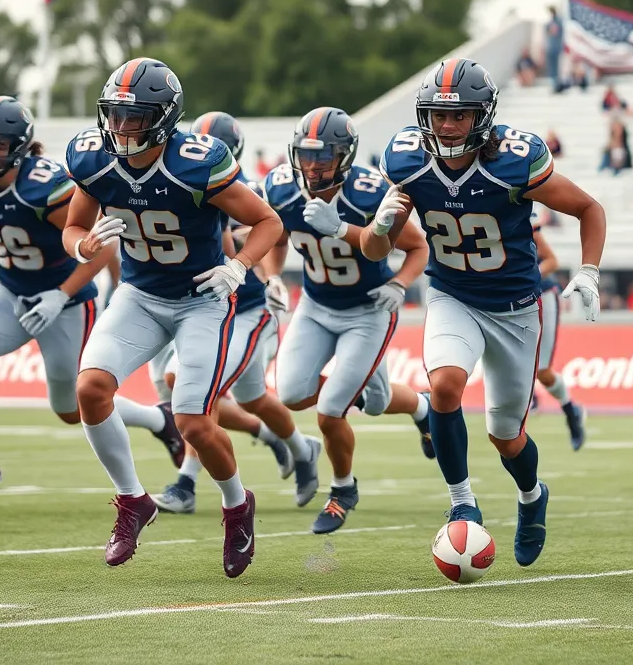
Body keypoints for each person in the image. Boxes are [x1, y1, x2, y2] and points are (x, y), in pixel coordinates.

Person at [365, 58, 606, 568]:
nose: (448, 126)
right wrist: (381, 227)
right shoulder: (407, 161)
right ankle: (462, 502)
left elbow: (590, 209)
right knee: (446, 385)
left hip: (517, 309)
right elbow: (371, 251)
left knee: (506, 434)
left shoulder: (514, 160)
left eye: (461, 116)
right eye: (438, 115)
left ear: (484, 116)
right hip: (452, 295)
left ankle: (531, 496)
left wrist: (588, 270)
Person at [63, 57, 283, 575]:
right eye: (113, 115)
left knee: (193, 422)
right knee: (91, 389)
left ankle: (236, 504)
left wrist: (240, 266)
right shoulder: (95, 159)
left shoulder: (196, 162)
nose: (119, 127)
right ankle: (132, 500)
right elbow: (73, 227)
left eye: (132, 115)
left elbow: (267, 221)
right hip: (139, 294)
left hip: (202, 299)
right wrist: (84, 246)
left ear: (162, 117)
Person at [0, 96, 182, 513]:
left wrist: (61, 294)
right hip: (11, 290)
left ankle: (162, 422)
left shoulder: (45, 187)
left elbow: (102, 250)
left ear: (19, 146)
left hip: (65, 302)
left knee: (72, 408)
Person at [263, 106, 434, 534]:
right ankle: (421, 407)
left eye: (323, 157)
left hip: (366, 313)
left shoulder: (369, 193)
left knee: (329, 409)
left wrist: (400, 285)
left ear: (345, 156)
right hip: (316, 306)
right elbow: (275, 236)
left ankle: (343, 490)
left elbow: (418, 247)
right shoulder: (282, 189)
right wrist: (272, 276)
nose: (313, 166)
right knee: (295, 393)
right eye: (306, 155)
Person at [151, 111, 321, 516]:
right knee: (254, 398)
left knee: (194, 388)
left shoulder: (243, 190)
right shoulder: (180, 183)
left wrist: (271, 277)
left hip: (247, 309)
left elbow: (266, 233)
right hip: (209, 308)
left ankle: (187, 483)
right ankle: (299, 447)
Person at [530, 211, 586, 449]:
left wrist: (524, 278)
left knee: (542, 370)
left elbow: (551, 260)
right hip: (503, 298)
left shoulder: (523, 222)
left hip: (539, 294)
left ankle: (570, 409)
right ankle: (528, 400)